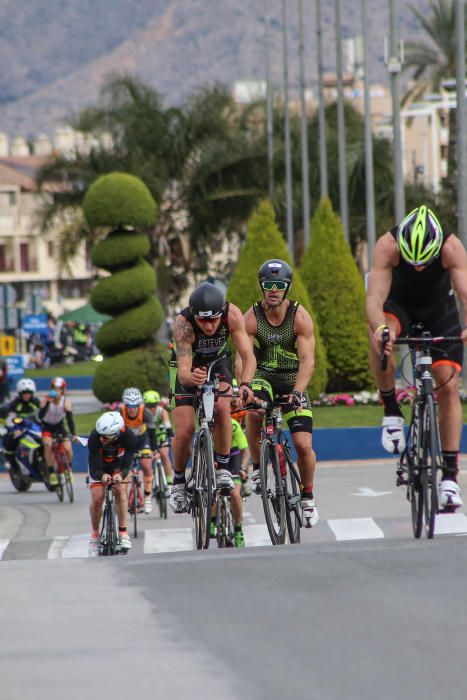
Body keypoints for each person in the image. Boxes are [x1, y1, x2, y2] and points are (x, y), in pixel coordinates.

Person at [366, 205, 467, 511]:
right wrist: (381, 328)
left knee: (448, 386)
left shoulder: (451, 247)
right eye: (414, 262)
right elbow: (374, 299)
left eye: (427, 261)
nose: (420, 267)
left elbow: (465, 295)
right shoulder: (387, 245)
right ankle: (391, 410)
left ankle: (450, 476)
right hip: (399, 307)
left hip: (439, 310)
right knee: (381, 338)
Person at [239, 259, 319, 527]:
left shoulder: (299, 316)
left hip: (291, 380)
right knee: (253, 411)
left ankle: (307, 496)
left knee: (303, 446)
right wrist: (246, 385)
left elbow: (308, 360)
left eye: (279, 286)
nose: (273, 290)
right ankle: (260, 468)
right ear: (261, 287)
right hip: (262, 376)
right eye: (268, 285)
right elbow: (243, 355)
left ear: (287, 288)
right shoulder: (251, 317)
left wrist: (298, 391)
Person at [169, 281, 256, 514]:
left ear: (221, 313)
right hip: (188, 366)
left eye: (214, 320)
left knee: (221, 407)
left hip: (218, 361)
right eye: (203, 320)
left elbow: (248, 356)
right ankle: (177, 482)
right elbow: (184, 372)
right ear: (195, 316)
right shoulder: (183, 324)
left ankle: (223, 468)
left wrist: (245, 384)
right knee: (186, 429)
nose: (209, 326)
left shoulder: (233, 314)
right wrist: (191, 377)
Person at [88, 412, 137, 554]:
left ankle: (123, 532)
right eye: (100, 436)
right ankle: (95, 534)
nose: (101, 439)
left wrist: (120, 475)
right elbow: (94, 466)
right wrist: (101, 475)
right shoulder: (95, 437)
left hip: (119, 464)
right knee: (97, 497)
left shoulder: (129, 437)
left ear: (116, 433)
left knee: (120, 490)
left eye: (105, 437)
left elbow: (127, 463)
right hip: (99, 465)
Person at [210, 416, 251, 547]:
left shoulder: (233, 425)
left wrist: (243, 468)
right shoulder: (209, 426)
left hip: (233, 458)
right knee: (212, 491)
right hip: (214, 457)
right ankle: (212, 522)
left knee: (235, 494)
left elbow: (245, 451)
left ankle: (238, 530)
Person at [120, 387, 157, 514]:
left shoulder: (146, 413)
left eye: (135, 405)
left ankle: (147, 497)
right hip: (126, 442)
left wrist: (154, 450)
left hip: (142, 440)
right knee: (124, 470)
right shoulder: (119, 413)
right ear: (125, 405)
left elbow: (152, 434)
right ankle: (122, 499)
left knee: (146, 464)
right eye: (129, 406)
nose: (132, 409)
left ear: (139, 405)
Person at [38, 377, 78, 486]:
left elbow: (69, 419)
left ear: (63, 390)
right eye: (54, 388)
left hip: (60, 426)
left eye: (59, 389)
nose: (57, 391)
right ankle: (51, 472)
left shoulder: (66, 401)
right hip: (47, 427)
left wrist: (73, 433)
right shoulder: (46, 399)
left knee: (68, 448)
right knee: (48, 445)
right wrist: (47, 404)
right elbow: (40, 416)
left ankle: (68, 469)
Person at [1, 379, 41, 470]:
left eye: (28, 393)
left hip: (34, 428)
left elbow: (42, 415)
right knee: (11, 438)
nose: (26, 395)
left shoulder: (36, 402)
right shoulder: (15, 404)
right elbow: (11, 418)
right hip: (19, 429)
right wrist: (16, 428)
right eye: (24, 393)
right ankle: (12, 462)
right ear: (20, 393)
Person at [143, 389, 174, 487]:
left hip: (161, 436)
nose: (151, 408)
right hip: (148, 437)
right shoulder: (142, 412)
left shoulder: (162, 411)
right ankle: (150, 482)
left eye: (154, 405)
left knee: (164, 455)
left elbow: (167, 424)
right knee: (148, 460)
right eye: (148, 406)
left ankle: (169, 482)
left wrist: (171, 436)